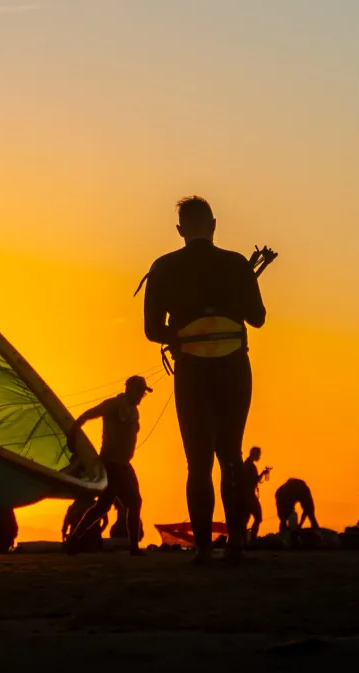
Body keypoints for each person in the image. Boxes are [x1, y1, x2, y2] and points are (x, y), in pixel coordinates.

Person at [142, 196, 271, 565]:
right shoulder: (235, 265)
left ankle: (201, 549)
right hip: (233, 367)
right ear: (213, 224)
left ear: (180, 230)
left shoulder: (163, 268)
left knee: (196, 462)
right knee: (231, 455)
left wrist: (183, 334)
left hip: (191, 371)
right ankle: (235, 544)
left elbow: (153, 330)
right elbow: (258, 318)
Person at [64, 375, 153, 555]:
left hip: (121, 463)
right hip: (113, 464)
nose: (140, 396)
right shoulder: (113, 405)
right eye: (139, 392)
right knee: (134, 502)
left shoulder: (133, 411)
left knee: (102, 507)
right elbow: (86, 415)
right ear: (129, 389)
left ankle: (72, 541)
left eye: (143, 393)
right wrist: (72, 436)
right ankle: (134, 547)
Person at [241, 447, 273, 540]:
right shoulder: (250, 466)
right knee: (258, 517)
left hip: (246, 495)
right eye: (258, 454)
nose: (259, 457)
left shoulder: (246, 464)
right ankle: (252, 539)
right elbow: (254, 481)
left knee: (245, 519)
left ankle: (244, 540)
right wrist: (263, 474)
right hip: (249, 495)